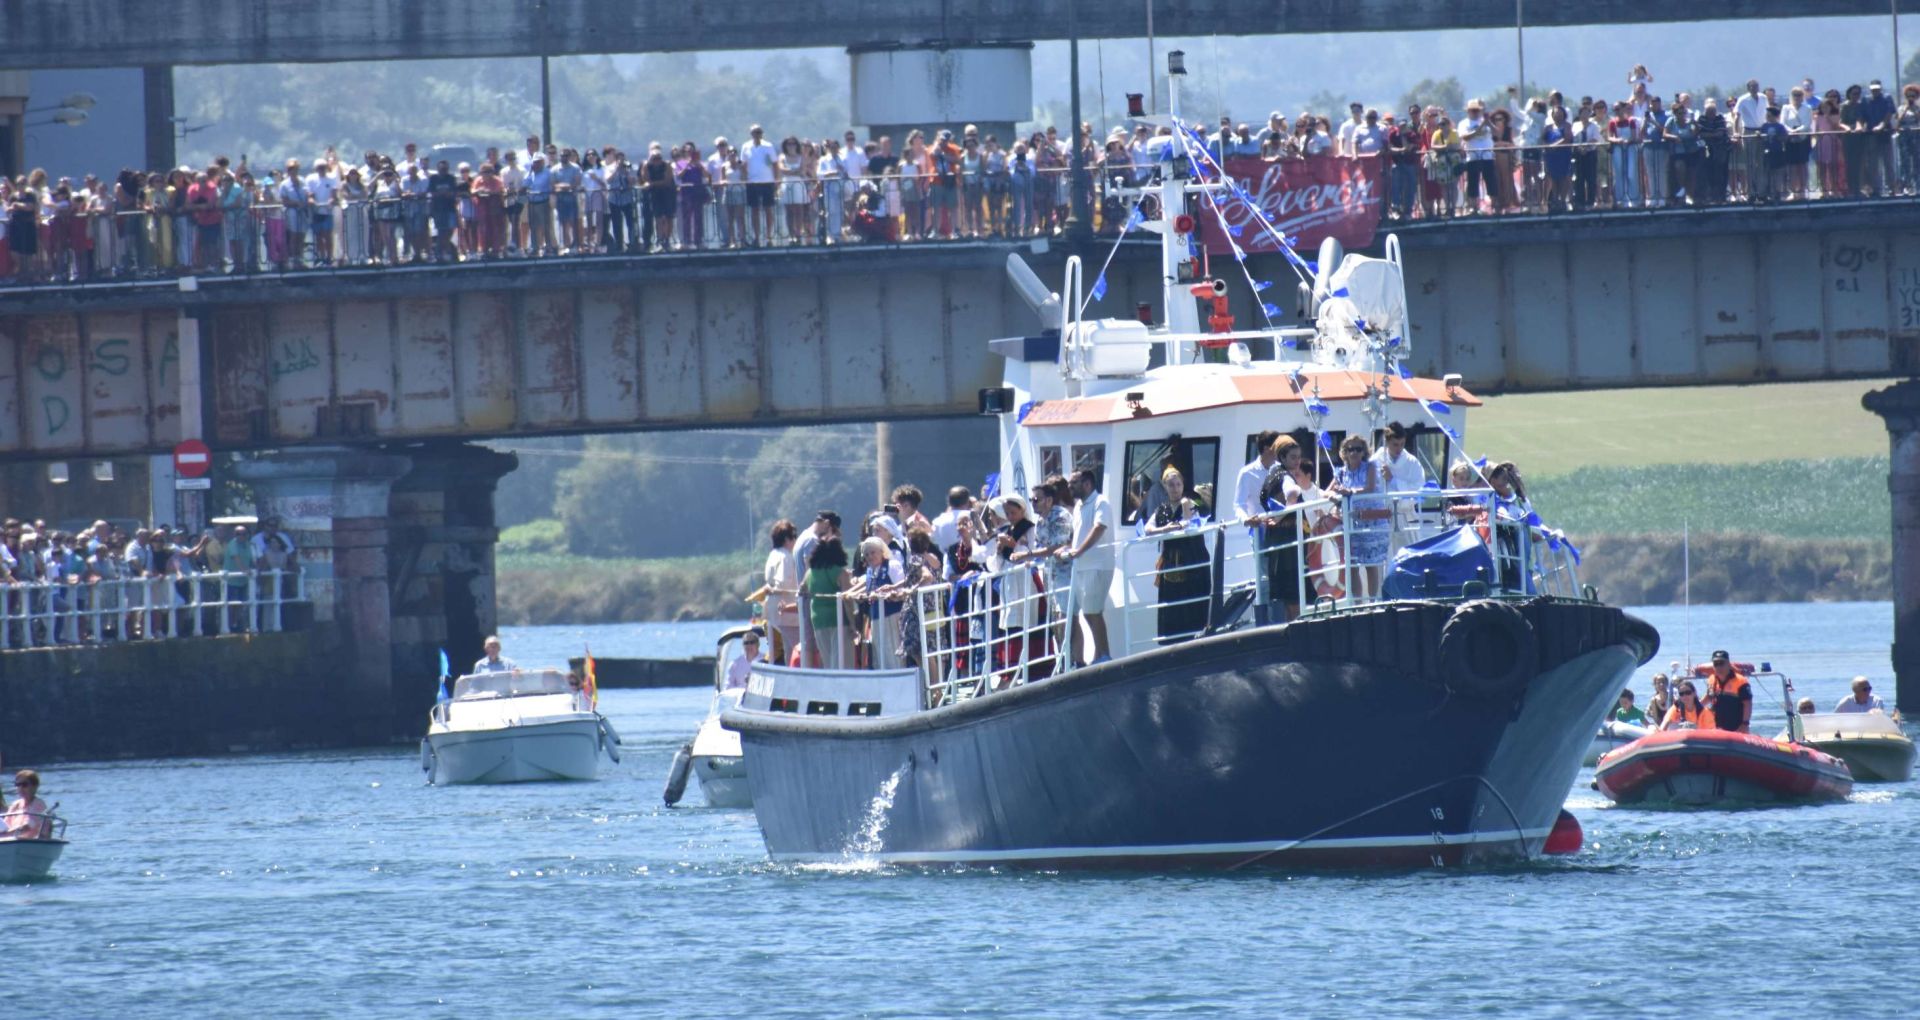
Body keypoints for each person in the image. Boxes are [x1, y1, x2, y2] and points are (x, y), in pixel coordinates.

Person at [1144, 465, 1210, 644]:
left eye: (1178, 484)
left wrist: (1181, 519)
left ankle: (1196, 640)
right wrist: (1165, 529)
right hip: (1171, 564)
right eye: (1171, 485)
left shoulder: (1191, 501)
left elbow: (1190, 520)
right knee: (1173, 606)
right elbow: (1148, 529)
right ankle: (1172, 643)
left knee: (1192, 604)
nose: (1175, 488)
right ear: (1165, 486)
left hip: (1191, 560)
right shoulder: (1162, 509)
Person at [1059, 467, 1112, 666]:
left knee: (1093, 611)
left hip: (1097, 565)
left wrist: (1079, 550)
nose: (1069, 486)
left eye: (1074, 483)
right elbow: (1078, 535)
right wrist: (1069, 548)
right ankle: (1099, 655)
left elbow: (1099, 528)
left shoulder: (1101, 502)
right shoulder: (1080, 506)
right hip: (1082, 567)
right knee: (1088, 612)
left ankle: (1104, 656)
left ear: (1087, 484)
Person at [803, 536, 853, 669]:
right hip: (838, 619)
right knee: (843, 660)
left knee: (827, 659)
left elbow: (802, 589)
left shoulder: (810, 573)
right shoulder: (840, 572)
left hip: (818, 620)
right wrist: (854, 624)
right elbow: (848, 600)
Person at [762, 519, 801, 665]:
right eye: (794, 537)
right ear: (787, 539)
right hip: (786, 610)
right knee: (795, 648)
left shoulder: (773, 555)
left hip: (773, 609)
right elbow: (783, 582)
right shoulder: (786, 557)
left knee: (786, 648)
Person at [1701, 649, 1752, 733]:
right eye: (1716, 664)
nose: (1719, 667)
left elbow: (1748, 704)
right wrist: (1695, 706)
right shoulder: (1711, 680)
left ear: (1728, 664)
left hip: (1737, 727)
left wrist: (1745, 724)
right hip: (1717, 727)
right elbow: (1709, 697)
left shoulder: (1741, 681)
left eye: (1721, 663)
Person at [2, 770, 49, 840]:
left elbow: (28, 827)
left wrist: (4, 834)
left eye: (24, 785)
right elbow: (5, 825)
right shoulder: (15, 805)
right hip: (11, 842)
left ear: (34, 786)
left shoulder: (39, 804)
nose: (20, 788)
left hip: (32, 843)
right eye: (18, 785)